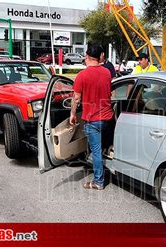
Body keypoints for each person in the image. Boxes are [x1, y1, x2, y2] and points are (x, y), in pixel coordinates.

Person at [70, 44, 114, 190]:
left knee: (96, 151)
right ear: (99, 56)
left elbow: (76, 98)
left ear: (87, 57)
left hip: (93, 120)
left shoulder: (82, 75)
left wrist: (72, 114)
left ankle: (98, 181)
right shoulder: (107, 72)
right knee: (102, 148)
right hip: (108, 118)